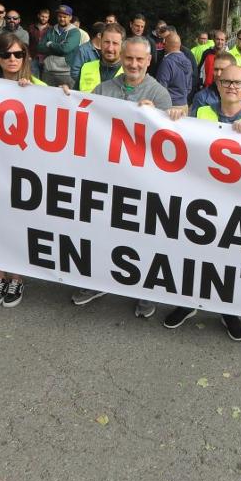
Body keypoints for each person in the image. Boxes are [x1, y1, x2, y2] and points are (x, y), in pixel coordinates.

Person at [70, 36, 171, 317]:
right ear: (121, 58)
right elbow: (83, 119)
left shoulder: (160, 94)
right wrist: (63, 98)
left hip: (143, 181)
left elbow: (169, 142)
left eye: (140, 59)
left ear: (149, 61)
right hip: (108, 177)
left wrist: (160, 116)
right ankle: (96, 282)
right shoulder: (103, 89)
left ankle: (146, 291)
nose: (134, 64)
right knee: (101, 231)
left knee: (144, 237)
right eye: (129, 58)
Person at [160, 64, 241, 338]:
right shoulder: (200, 113)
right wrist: (171, 117)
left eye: (238, 83)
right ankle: (188, 303)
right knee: (194, 254)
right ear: (217, 85)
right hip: (200, 199)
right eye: (226, 82)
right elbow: (181, 140)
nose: (232, 87)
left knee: (228, 261)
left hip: (236, 205)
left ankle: (228, 310)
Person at [0, 32, 68, 307]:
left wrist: (62, 95)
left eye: (18, 54)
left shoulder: (36, 85)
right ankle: (0, 276)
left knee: (19, 224)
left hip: (24, 170)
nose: (12, 59)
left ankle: (17, 278)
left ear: (26, 57)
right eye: (5, 54)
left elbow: (60, 108)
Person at [38, 5, 83, 87]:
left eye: (64, 17)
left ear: (70, 17)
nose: (62, 19)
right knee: (46, 97)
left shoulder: (75, 32)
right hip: (48, 71)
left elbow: (65, 49)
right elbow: (40, 47)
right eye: (60, 16)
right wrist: (59, 47)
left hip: (66, 73)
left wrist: (50, 44)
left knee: (67, 98)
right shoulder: (50, 30)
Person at [77, 22, 125, 92]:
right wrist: (64, 93)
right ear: (101, 42)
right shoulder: (86, 67)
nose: (110, 48)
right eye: (106, 42)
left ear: (122, 46)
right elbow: (74, 98)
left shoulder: (130, 73)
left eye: (115, 43)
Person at [154, 27, 195, 107]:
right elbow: (189, 86)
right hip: (183, 104)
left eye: (164, 43)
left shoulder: (167, 62)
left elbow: (161, 87)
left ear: (166, 44)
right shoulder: (188, 61)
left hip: (169, 106)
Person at [27, 8, 51, 76]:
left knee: (45, 79)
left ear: (48, 18)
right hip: (33, 57)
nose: (44, 18)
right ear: (38, 16)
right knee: (34, 79)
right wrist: (28, 55)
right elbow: (27, 42)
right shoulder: (31, 27)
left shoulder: (52, 29)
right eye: (42, 16)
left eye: (46, 17)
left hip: (46, 58)